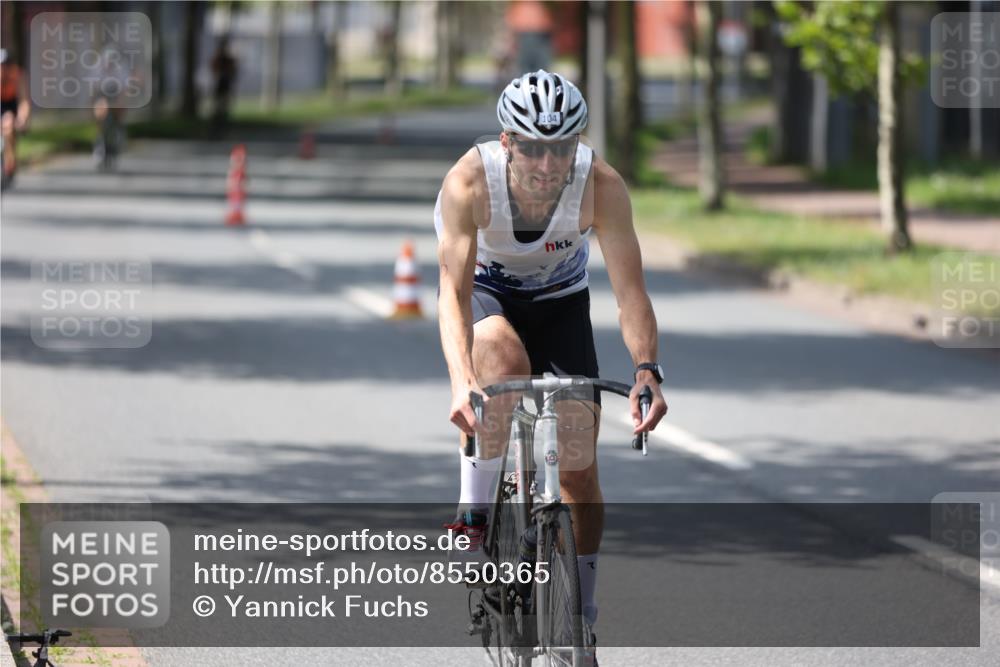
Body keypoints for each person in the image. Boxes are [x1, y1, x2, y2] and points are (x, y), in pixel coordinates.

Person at [434, 70, 669, 644]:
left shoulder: (601, 185)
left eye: (561, 148)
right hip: (488, 293)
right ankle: (474, 512)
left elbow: (631, 295)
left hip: (561, 302)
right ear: (507, 142)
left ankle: (581, 616)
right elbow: (452, 295)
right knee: (502, 361)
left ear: (577, 145)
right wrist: (463, 382)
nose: (547, 164)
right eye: (533, 147)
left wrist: (646, 371)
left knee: (579, 467)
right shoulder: (469, 183)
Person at [1, 49, 31, 186]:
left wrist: (22, 118)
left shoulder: (18, 75)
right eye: (2, 65)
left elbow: (24, 101)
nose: (4, 69)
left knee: (9, 125)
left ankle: (10, 163)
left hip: (11, 105)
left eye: (7, 65)